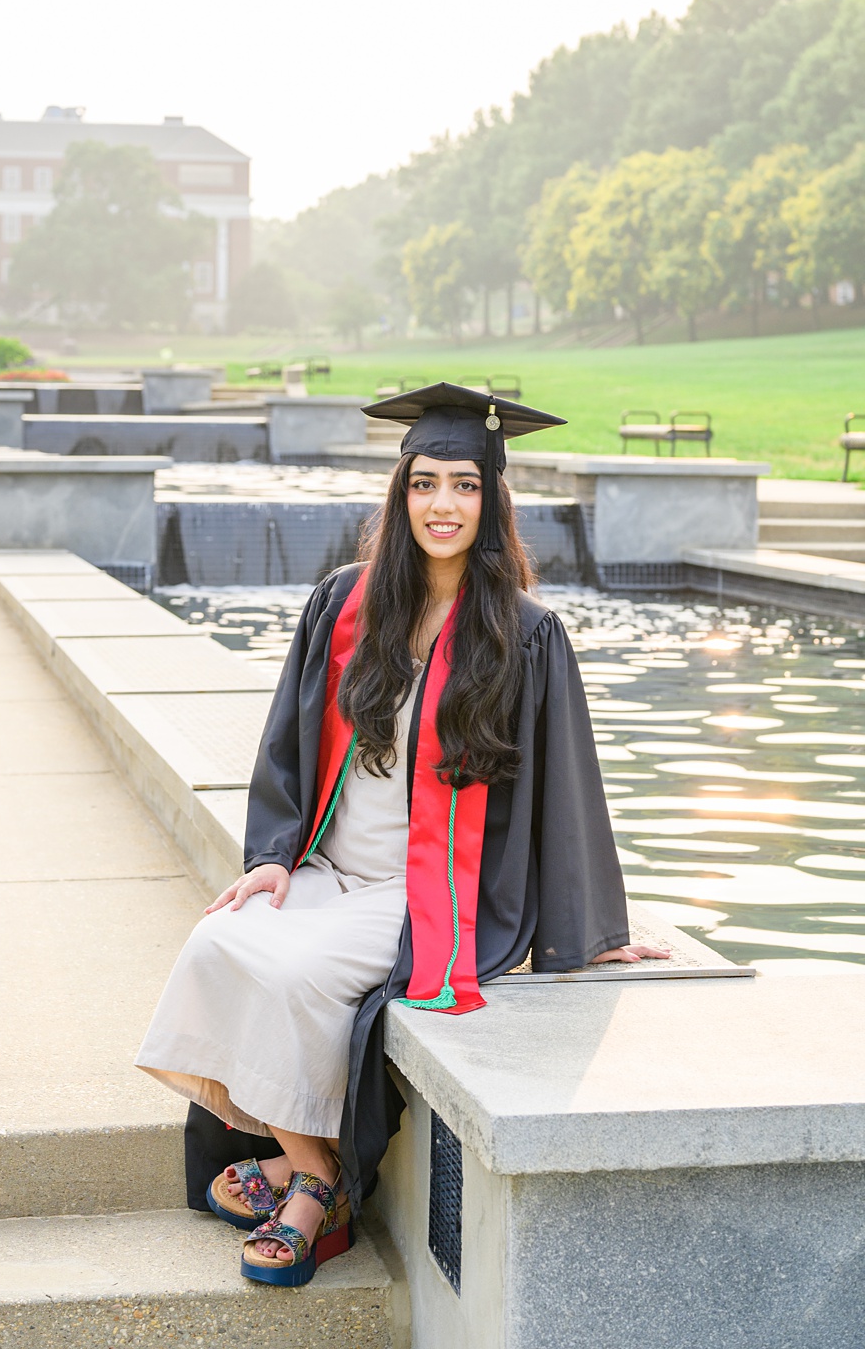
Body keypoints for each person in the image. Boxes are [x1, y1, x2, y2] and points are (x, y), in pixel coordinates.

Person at [132, 383, 663, 1288]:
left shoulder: (525, 636)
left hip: (429, 897)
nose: (442, 506)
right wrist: (271, 860)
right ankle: (320, 1171)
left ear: (492, 503)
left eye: (463, 485)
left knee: (297, 976)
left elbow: (569, 793)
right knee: (217, 940)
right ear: (400, 494)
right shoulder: (346, 604)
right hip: (332, 870)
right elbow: (286, 749)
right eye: (424, 485)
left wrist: (591, 937)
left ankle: (301, 1189)